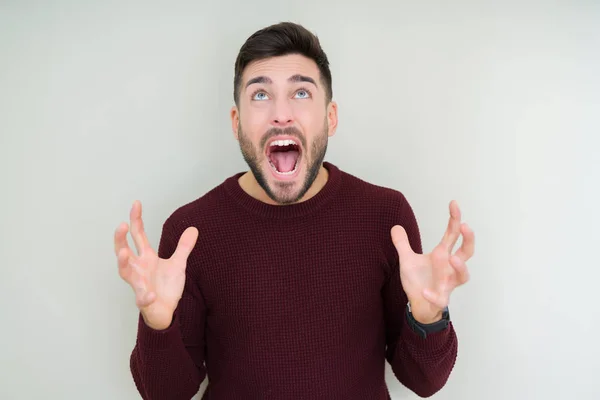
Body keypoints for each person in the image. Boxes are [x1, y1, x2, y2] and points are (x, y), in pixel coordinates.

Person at [114, 22, 475, 400]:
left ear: (330, 117)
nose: (281, 114)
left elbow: (424, 381)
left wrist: (429, 317)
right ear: (237, 124)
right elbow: (164, 393)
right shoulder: (190, 232)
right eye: (260, 95)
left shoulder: (386, 217)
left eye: (301, 92)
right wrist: (157, 323)